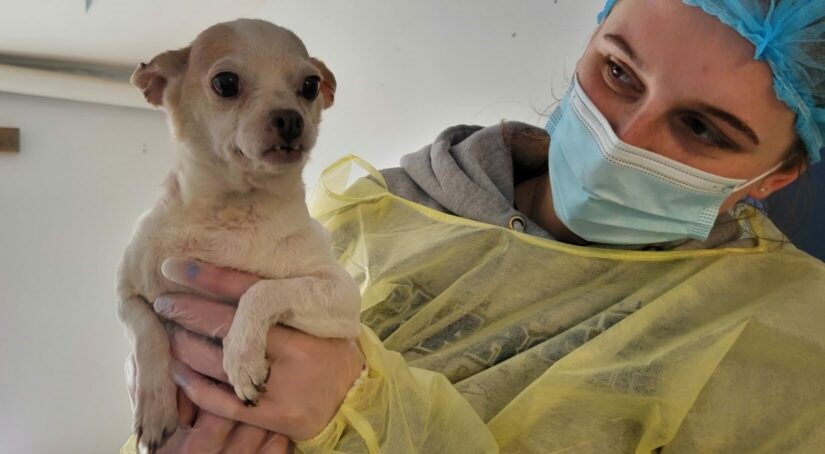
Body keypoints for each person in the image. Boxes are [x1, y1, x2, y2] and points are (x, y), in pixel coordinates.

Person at [122, 0, 825, 452]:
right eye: (617, 72)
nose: (622, 136)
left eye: (700, 128)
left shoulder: (784, 345)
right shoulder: (375, 212)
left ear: (772, 179)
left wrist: (363, 412)